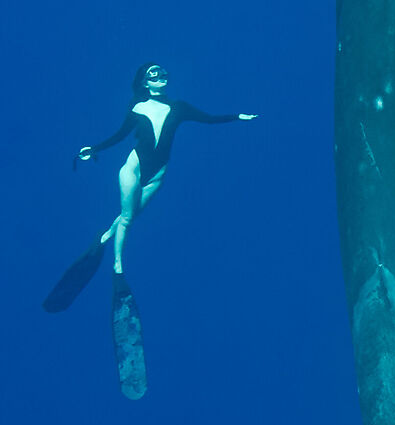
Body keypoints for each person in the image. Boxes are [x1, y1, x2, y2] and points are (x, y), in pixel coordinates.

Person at [42, 64, 256, 310]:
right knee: (126, 218)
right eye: (154, 74)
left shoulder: (179, 108)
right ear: (145, 82)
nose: (161, 76)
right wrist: (94, 149)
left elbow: (208, 119)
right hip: (133, 170)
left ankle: (103, 238)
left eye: (163, 73)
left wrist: (238, 116)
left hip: (157, 176)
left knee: (129, 216)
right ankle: (118, 269)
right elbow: (119, 135)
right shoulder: (138, 108)